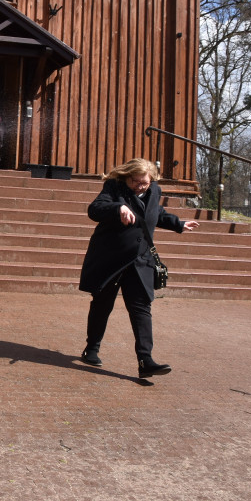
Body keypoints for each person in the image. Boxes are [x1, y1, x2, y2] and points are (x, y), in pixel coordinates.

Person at [77, 158, 199, 379]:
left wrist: (178, 224)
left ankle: (146, 360)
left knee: (141, 308)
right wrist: (119, 207)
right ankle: (91, 349)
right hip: (111, 259)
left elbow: (155, 213)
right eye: (136, 182)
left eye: (145, 182)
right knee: (102, 305)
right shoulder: (114, 187)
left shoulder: (154, 190)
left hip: (140, 260)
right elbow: (95, 209)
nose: (141, 186)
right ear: (127, 177)